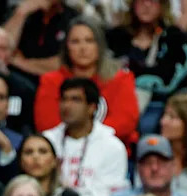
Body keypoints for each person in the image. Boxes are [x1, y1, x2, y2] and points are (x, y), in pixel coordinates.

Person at [33, 15, 139, 147]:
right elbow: (46, 124)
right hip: (64, 150)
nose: (83, 48)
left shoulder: (121, 79)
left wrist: (85, 139)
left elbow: (125, 123)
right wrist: (77, 140)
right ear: (66, 47)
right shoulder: (51, 81)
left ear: (99, 46)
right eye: (75, 42)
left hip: (110, 150)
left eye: (89, 41)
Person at [41, 76, 129, 196]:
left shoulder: (112, 146)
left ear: (92, 107)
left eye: (75, 100)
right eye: (64, 99)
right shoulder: (47, 140)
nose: (67, 106)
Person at [106, 0, 187, 134]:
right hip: (115, 101)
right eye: (141, 0)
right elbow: (105, 73)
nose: (146, 5)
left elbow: (168, 79)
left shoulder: (172, 38)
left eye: (153, 1)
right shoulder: (116, 37)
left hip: (158, 105)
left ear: (162, 6)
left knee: (148, 124)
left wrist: (131, 74)